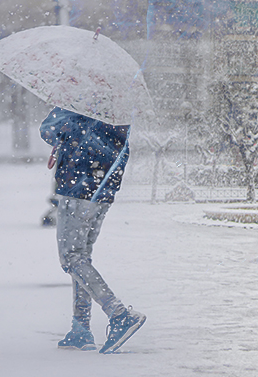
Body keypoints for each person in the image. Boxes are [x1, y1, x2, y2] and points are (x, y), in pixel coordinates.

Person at [40, 107, 146, 354]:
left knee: (71, 257)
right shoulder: (117, 108)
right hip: (102, 191)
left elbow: (48, 129)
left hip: (77, 189)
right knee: (81, 257)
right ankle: (80, 327)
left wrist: (62, 127)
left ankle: (119, 314)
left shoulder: (77, 102)